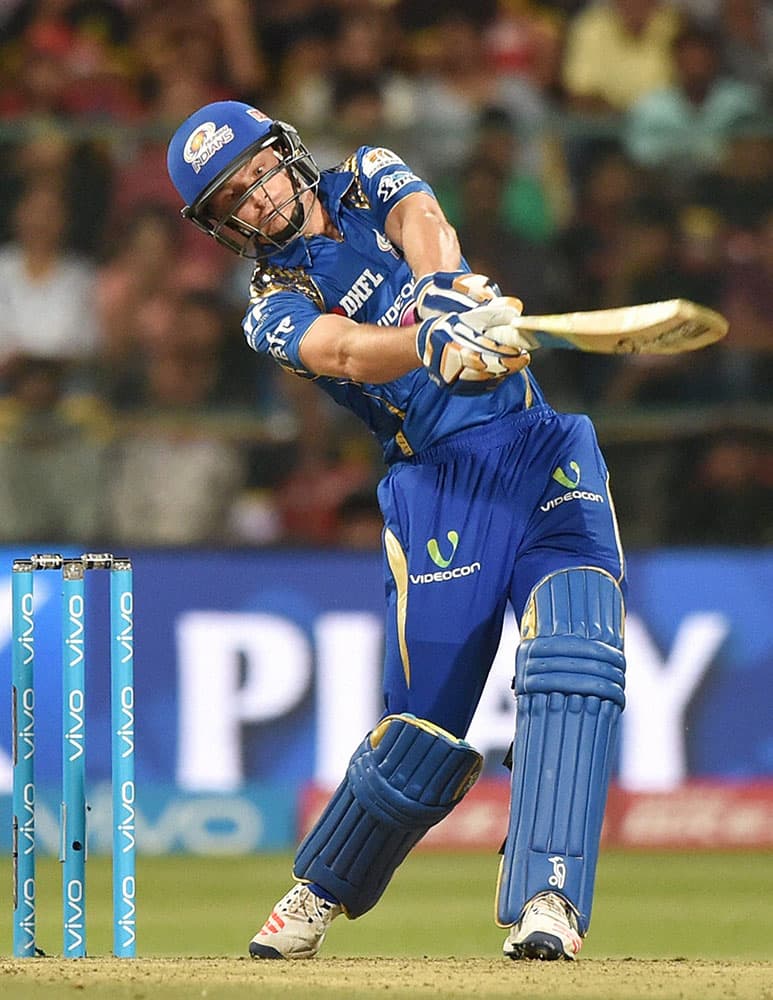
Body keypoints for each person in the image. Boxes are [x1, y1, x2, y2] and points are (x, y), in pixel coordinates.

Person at [167, 101, 627, 962]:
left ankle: (549, 898)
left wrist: (443, 292)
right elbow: (341, 351)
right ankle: (318, 890)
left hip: (539, 449)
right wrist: (426, 341)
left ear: (287, 155)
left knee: (578, 658)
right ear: (220, 225)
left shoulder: (367, 173)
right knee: (421, 730)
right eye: (233, 200)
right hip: (438, 489)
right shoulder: (269, 305)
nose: (257, 203)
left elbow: (425, 219)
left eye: (258, 174)